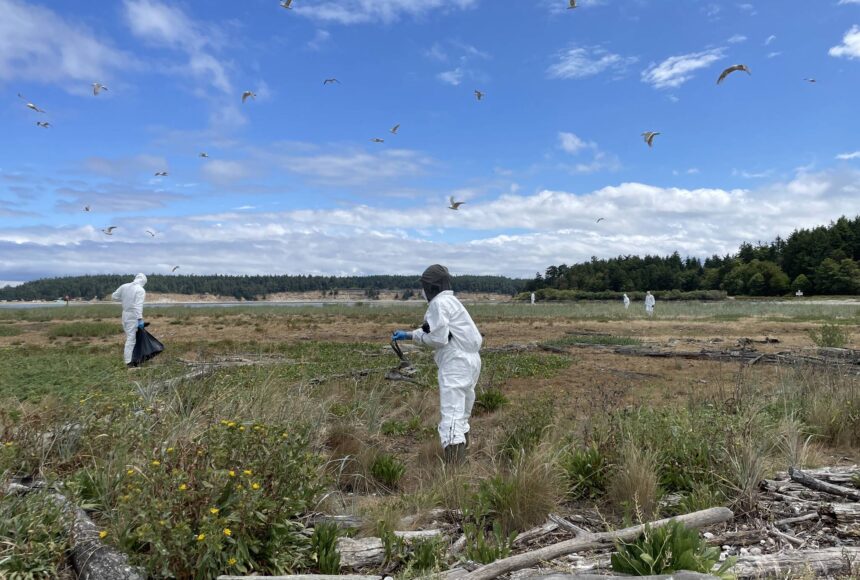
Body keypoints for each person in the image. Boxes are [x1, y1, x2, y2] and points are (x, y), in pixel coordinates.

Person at [392, 265, 482, 464]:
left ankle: (454, 476)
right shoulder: (451, 301)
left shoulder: (438, 303)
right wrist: (409, 334)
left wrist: (420, 338)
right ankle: (463, 463)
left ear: (430, 286)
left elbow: (438, 338)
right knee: (462, 414)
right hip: (471, 361)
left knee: (451, 417)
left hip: (456, 363)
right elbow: (437, 330)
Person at [112, 273, 147, 368]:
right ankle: (129, 363)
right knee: (131, 339)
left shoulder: (124, 286)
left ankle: (133, 359)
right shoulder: (140, 290)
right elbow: (138, 306)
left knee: (131, 337)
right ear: (143, 281)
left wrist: (125, 299)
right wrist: (140, 319)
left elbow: (114, 296)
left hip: (125, 314)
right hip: (133, 316)